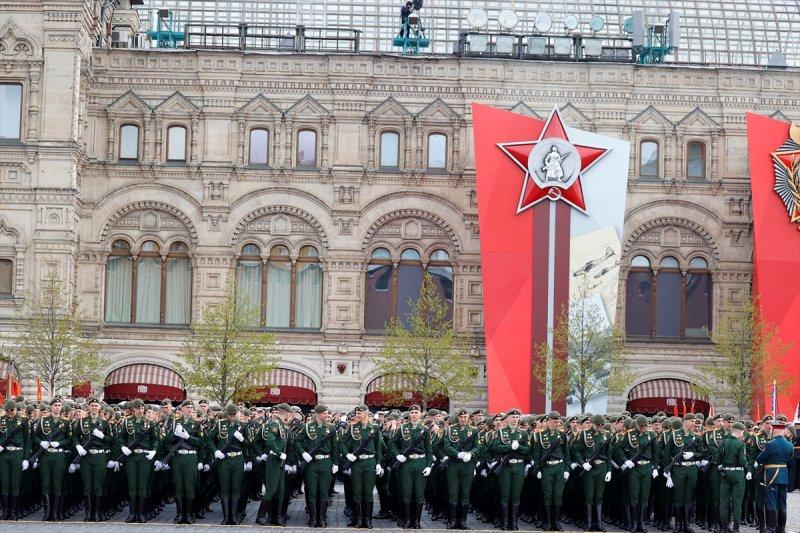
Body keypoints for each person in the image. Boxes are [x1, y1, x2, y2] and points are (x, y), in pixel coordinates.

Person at [296, 404, 338, 528]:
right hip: (311, 463)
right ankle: (313, 518)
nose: (326, 416)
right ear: (318, 414)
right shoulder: (308, 427)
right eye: (324, 413)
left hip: (326, 461)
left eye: (327, 413)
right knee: (312, 491)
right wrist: (303, 453)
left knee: (324, 491)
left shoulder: (331, 428)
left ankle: (322, 518)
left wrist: (335, 463)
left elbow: (334, 447)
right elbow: (298, 441)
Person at [340, 404, 382, 529]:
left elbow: (378, 447)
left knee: (368, 492)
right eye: (356, 413)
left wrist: (379, 463)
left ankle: (368, 520)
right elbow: (341, 442)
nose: (357, 415)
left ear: (366, 413)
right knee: (357, 491)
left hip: (370, 462)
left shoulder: (374, 428)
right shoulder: (352, 428)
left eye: (360, 413)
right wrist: (348, 454)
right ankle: (358, 519)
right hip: (357, 463)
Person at [390, 404, 431, 529]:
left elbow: (429, 450)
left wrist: (429, 466)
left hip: (420, 462)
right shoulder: (402, 428)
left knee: (419, 492)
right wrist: (397, 455)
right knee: (406, 492)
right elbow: (392, 443)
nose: (414, 414)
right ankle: (407, 520)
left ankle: (417, 521)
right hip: (406, 463)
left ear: (420, 414)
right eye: (412, 412)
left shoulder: (425, 429)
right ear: (409, 414)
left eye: (416, 412)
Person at [163, 399, 204, 525]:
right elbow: (166, 442)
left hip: (191, 458)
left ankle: (189, 514)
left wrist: (188, 437)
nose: (190, 410)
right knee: (179, 486)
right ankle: (179, 515)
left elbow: (201, 443)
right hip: (178, 457)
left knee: (190, 487)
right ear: (182, 409)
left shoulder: (197, 424)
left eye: (192, 408)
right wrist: (176, 435)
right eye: (187, 407)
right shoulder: (175, 423)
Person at [72, 396, 113, 522]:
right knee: (87, 485)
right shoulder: (82, 421)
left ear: (100, 407)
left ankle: (96, 513)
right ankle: (88, 513)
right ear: (88, 407)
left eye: (96, 405)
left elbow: (112, 440)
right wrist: (78, 446)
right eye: (92, 405)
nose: (94, 407)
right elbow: (75, 436)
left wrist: (103, 437)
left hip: (100, 456)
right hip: (86, 456)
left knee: (98, 485)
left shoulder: (105, 423)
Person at [32, 396, 70, 522]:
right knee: (46, 484)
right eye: (55, 405)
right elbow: (35, 436)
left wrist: (59, 444)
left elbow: (69, 439)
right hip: (46, 456)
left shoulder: (65, 422)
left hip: (59, 455)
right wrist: (41, 442)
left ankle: (56, 512)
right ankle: (47, 513)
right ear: (50, 407)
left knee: (57, 485)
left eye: (59, 405)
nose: (57, 407)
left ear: (61, 407)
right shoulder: (43, 421)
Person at [255, 403, 292, 526]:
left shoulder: (282, 425)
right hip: (274, 458)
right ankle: (260, 516)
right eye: (289, 413)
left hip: (280, 459)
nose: (289, 416)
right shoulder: (275, 424)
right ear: (285, 413)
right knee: (271, 489)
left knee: (280, 490)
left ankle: (277, 517)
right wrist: (279, 452)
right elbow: (270, 441)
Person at [574, 414, 612, 532]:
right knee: (589, 496)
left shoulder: (607, 435)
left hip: (602, 467)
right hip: (589, 468)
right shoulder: (584, 434)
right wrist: (582, 463)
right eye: (598, 425)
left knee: (599, 496)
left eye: (602, 425)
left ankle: (599, 523)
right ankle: (589, 523)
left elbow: (609, 454)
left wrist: (609, 470)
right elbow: (577, 451)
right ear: (593, 424)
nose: (600, 427)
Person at [442, 407, 479, 529]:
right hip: (454, 464)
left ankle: (463, 521)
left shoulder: (473, 430)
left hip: (467, 465)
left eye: (465, 417)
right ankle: (453, 521)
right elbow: (447, 446)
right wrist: (457, 454)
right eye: (461, 417)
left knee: (465, 493)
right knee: (453, 492)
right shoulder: (450, 430)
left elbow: (477, 447)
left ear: (468, 418)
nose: (463, 419)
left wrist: (471, 454)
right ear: (458, 417)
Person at [533, 411, 570, 531]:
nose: (557, 424)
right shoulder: (540, 435)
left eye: (558, 422)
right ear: (548, 421)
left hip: (559, 467)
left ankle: (557, 523)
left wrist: (566, 469)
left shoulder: (562, 435)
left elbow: (567, 454)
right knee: (547, 495)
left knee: (558, 495)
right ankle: (548, 522)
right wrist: (537, 468)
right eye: (554, 422)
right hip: (546, 468)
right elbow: (537, 454)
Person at [756, 418, 793, 533]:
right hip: (783, 474)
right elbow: (790, 459)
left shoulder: (770, 444)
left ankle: (771, 527)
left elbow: (760, 458)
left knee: (771, 501)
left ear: (775, 430)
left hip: (772, 475)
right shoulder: (789, 444)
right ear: (782, 430)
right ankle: (781, 528)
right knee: (782, 501)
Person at [0, 401, 30, 520]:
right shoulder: (1, 419)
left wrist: (26, 458)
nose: (9, 413)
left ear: (15, 410)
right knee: (5, 483)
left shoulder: (23, 420)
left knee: (15, 483)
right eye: (7, 411)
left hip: (17, 453)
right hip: (4, 454)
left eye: (11, 411)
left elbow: (27, 441)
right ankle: (5, 511)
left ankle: (13, 511)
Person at [717, 421, 747, 532]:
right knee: (737, 502)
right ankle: (736, 528)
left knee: (723, 501)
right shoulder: (740, 444)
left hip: (725, 473)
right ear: (739, 432)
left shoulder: (723, 442)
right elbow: (742, 461)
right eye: (742, 432)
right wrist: (747, 463)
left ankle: (723, 527)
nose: (742, 434)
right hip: (737, 474)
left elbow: (718, 460)